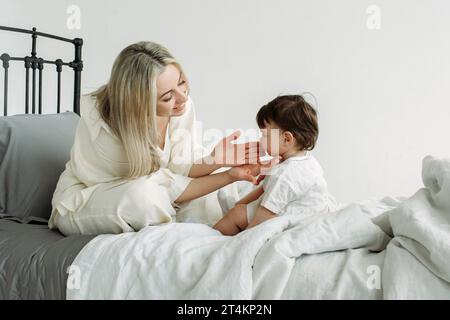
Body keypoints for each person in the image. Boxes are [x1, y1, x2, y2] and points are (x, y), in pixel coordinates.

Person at [48, 41, 263, 236]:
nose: (182, 97)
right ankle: (186, 238)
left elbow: (179, 167)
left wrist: (217, 161)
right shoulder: (105, 132)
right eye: (167, 97)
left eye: (181, 83)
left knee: (210, 184)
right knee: (144, 198)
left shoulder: (181, 105)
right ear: (139, 102)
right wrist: (228, 176)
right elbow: (165, 188)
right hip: (86, 201)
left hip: (161, 190)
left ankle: (215, 235)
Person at [213, 94, 338, 236]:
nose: (261, 139)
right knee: (239, 209)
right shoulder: (308, 162)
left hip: (294, 218)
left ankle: (214, 240)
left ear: (286, 139)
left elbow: (266, 214)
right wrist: (240, 203)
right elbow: (264, 191)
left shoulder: (285, 174)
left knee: (237, 215)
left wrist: (245, 237)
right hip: (312, 212)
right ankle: (233, 211)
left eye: (265, 135)